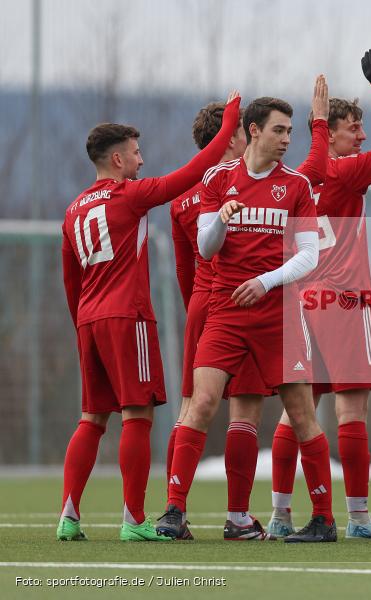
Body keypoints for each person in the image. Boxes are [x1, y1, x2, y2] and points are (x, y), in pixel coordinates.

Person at [58, 91, 240, 542]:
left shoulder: (73, 209)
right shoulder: (129, 197)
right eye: (137, 154)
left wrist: (82, 323)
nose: (143, 161)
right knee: (138, 416)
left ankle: (68, 516)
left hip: (88, 320)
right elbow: (193, 174)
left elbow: (70, 279)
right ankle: (134, 521)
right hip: (127, 318)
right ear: (117, 159)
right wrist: (230, 121)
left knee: (91, 418)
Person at [156, 95, 335, 544]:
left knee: (301, 414)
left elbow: (309, 256)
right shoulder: (218, 179)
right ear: (253, 130)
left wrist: (267, 281)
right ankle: (174, 512)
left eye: (291, 132)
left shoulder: (294, 186)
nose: (286, 140)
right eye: (279, 130)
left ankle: (324, 520)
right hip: (226, 312)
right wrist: (219, 219)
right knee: (201, 404)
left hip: (278, 315)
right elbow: (205, 248)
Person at [268, 50, 371, 540]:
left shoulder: (293, 180)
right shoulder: (346, 170)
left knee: (296, 412)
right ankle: (360, 519)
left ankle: (280, 515)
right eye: (354, 128)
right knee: (351, 410)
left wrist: (321, 126)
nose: (362, 136)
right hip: (344, 301)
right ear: (330, 128)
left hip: (300, 302)